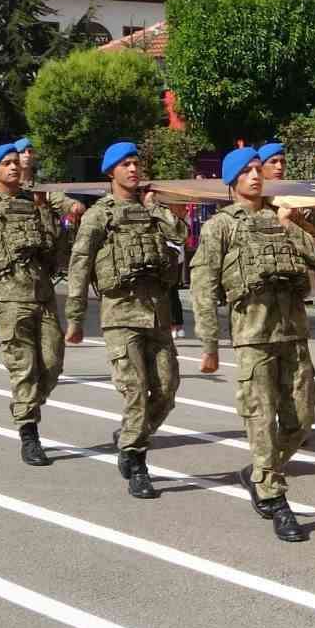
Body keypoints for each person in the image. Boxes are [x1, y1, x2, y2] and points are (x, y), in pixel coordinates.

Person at [191, 146, 315, 541]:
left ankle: (258, 472)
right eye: (248, 171)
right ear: (233, 180)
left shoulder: (282, 215)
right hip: (253, 337)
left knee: (302, 419)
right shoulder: (220, 226)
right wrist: (208, 344)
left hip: (294, 333)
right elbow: (203, 286)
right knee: (260, 418)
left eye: (259, 170)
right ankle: (274, 497)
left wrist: (291, 225)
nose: (256, 176)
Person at [67, 142, 189, 499]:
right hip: (120, 314)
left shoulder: (152, 210)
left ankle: (130, 437)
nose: (133, 170)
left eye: (136, 163)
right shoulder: (99, 215)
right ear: (111, 172)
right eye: (125, 165)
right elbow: (79, 265)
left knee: (166, 390)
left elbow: (181, 236)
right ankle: (137, 461)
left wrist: (156, 208)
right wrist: (75, 317)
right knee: (135, 391)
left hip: (157, 314)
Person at [0, 143, 81, 468]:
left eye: (16, 163)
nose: (14, 167)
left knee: (52, 364)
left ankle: (24, 405)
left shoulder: (32, 202)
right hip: (7, 295)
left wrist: (47, 213)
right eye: (6, 163)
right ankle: (29, 432)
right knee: (22, 366)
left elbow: (54, 248)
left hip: (42, 292)